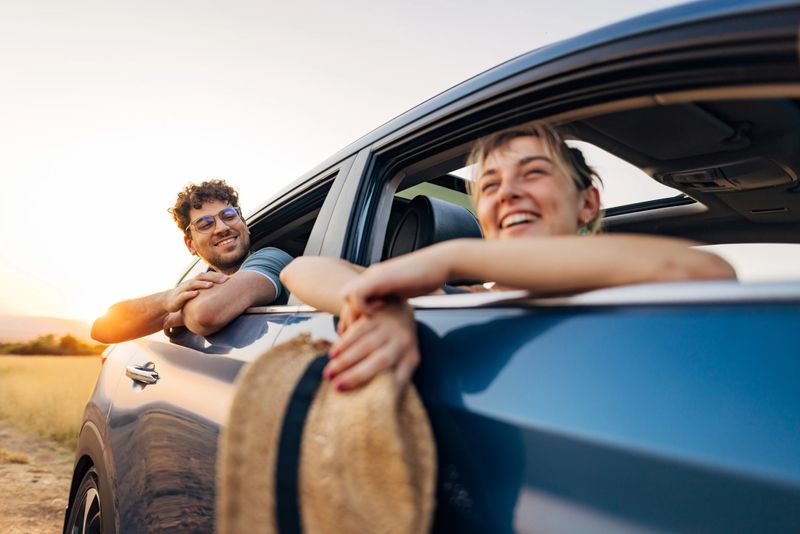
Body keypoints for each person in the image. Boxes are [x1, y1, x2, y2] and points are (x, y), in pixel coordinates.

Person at [281, 123, 736, 392]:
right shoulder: (449, 299)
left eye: (533, 173)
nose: (508, 193)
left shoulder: (629, 297)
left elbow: (706, 271)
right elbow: (301, 268)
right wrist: (378, 304)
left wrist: (454, 255)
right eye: (491, 185)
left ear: (588, 203)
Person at [92, 179, 292, 344]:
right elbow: (103, 330)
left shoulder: (272, 259)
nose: (222, 228)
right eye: (205, 224)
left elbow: (205, 313)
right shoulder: (196, 287)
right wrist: (167, 299)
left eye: (229, 216)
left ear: (244, 224)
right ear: (191, 245)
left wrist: (179, 315)